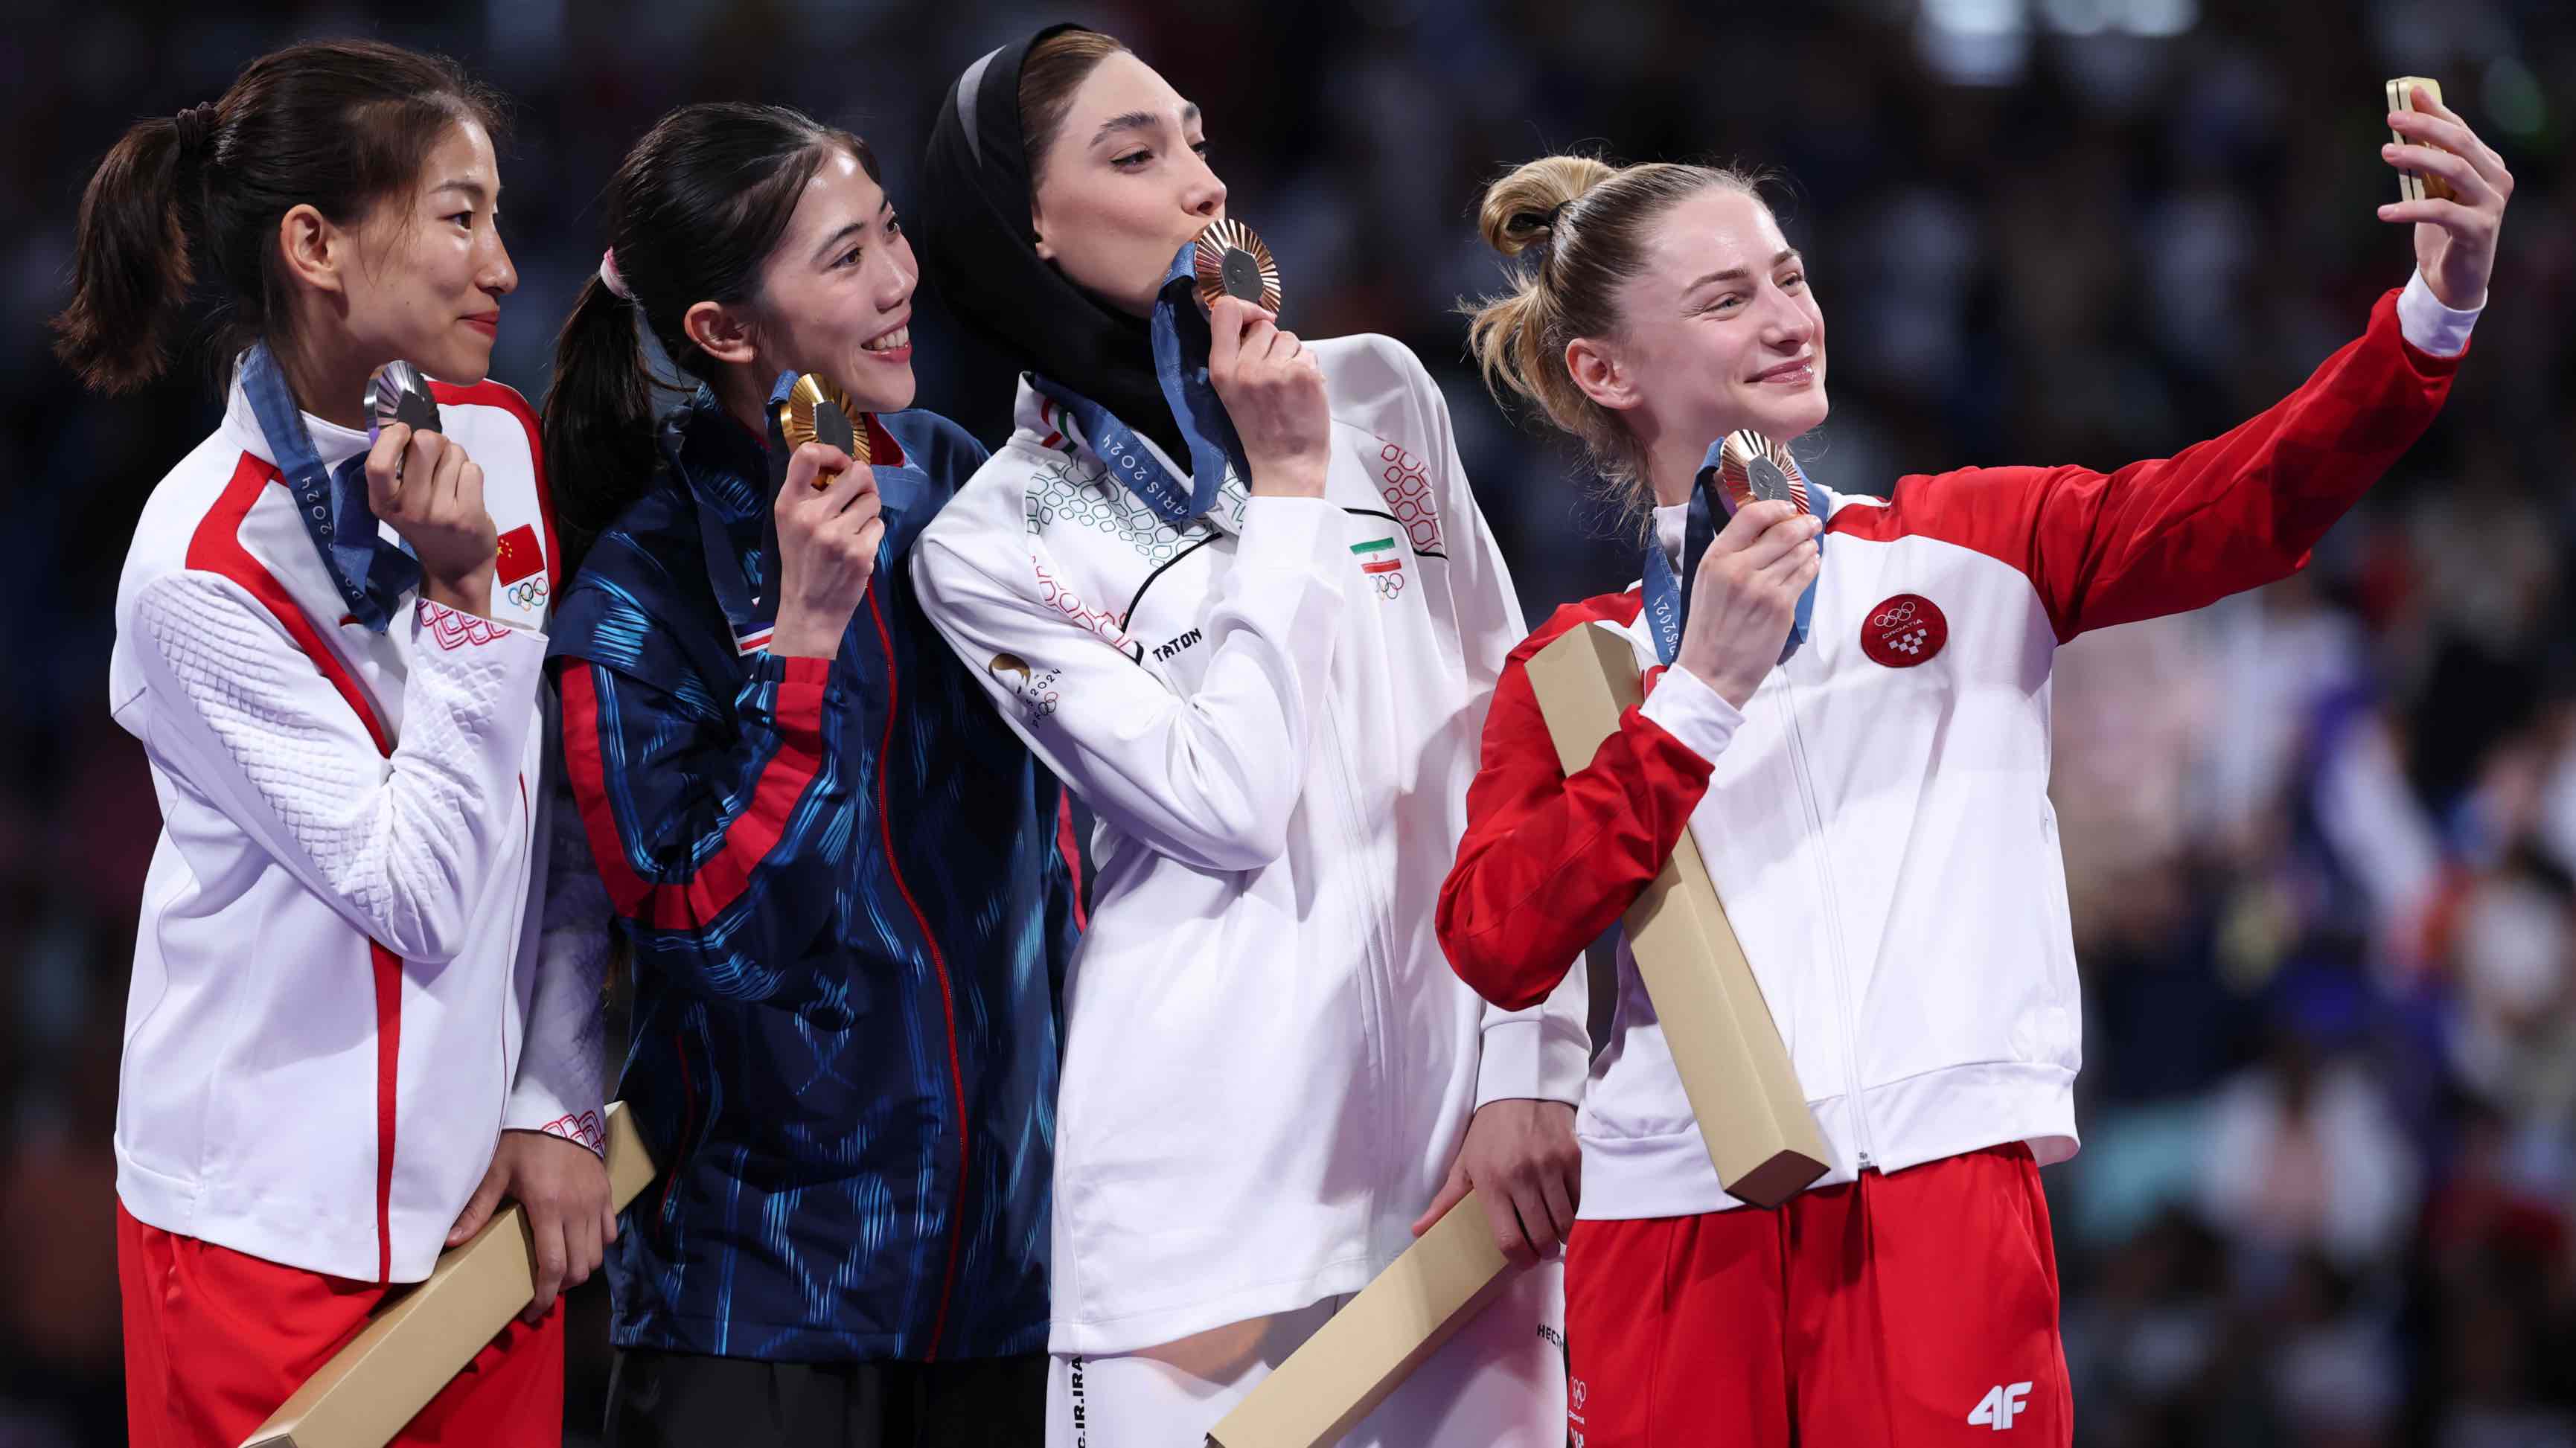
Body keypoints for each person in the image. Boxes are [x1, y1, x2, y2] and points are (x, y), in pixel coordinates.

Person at [1435, 92, 2511, 1447]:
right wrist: (1697, 695)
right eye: (1724, 299)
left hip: (1936, 1197)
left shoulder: (1976, 545)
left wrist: (2429, 319)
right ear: (1606, 371)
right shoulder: (1574, 670)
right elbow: (1496, 938)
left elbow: (2252, 497)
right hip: (1664, 1225)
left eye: (1789, 275)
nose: (1785, 316)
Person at [911, 25, 1588, 1447]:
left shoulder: (1378, 393)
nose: (1202, 186)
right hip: (1201, 1222)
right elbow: (1221, 804)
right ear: (1019, 222)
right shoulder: (988, 543)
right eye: (1135, 155)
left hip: (1459, 1172)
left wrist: (1531, 1065)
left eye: (1198, 142)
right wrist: (1282, 492)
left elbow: (1512, 749)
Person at [54, 39, 613, 1447]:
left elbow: (548, 827)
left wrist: (555, 1096)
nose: (500, 266)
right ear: (316, 243)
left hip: (487, 1218)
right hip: (258, 1245)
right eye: (457, 216)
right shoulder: (196, 564)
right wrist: (470, 604)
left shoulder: (497, 439)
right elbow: (417, 894)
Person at [540, 101, 1077, 1448]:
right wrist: (807, 649)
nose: (898, 279)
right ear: (726, 331)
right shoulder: (635, 596)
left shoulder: (964, 486)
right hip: (760, 1318)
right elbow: (704, 933)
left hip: (1013, 1292)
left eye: (888, 230)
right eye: (844, 258)